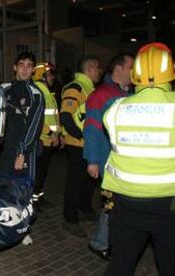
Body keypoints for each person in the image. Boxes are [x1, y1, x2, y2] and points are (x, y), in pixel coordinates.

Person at [102, 42, 175, 276]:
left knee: (121, 263)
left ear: (135, 75)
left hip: (126, 201)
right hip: (170, 203)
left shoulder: (116, 109)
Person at [83, 53, 134, 259]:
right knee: (112, 204)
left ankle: (109, 240)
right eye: (131, 66)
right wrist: (93, 160)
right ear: (119, 68)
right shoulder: (101, 95)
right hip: (108, 161)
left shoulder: (129, 94)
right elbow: (92, 130)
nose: (135, 71)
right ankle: (100, 242)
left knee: (118, 204)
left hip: (126, 162)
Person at [0, 52, 45, 245]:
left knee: (22, 190)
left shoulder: (36, 94)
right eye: (21, 65)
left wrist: (22, 152)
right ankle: (1, 226)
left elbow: (34, 126)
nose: (25, 69)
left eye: (29, 65)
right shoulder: (2, 89)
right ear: (15, 67)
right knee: (0, 187)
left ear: (33, 69)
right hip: (1, 150)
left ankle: (23, 230)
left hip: (23, 152)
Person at [60, 55, 101, 237]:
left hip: (86, 143)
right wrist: (81, 135)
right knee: (75, 182)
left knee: (87, 181)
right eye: (97, 68)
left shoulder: (88, 88)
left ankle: (84, 208)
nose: (100, 71)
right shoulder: (75, 87)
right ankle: (69, 219)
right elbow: (66, 116)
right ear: (90, 69)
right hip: (77, 144)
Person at [31, 62, 60, 211]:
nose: (52, 77)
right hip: (43, 140)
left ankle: (39, 199)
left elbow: (52, 117)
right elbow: (38, 119)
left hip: (48, 140)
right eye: (49, 74)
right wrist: (52, 134)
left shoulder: (46, 91)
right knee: (38, 174)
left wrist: (58, 134)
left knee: (42, 174)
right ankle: (34, 203)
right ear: (42, 76)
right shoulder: (39, 91)